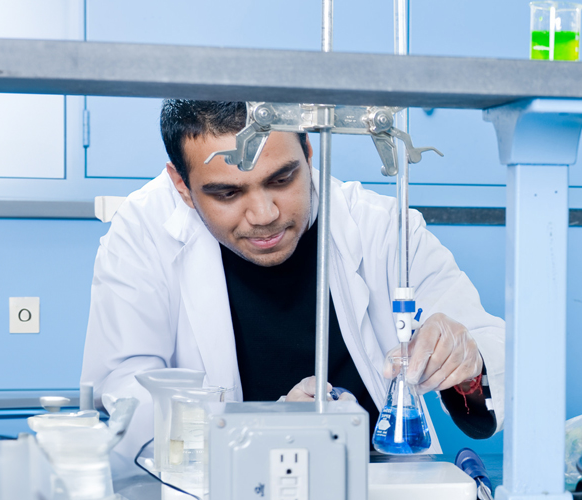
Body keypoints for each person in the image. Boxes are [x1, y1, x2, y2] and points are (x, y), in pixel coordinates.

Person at [80, 100, 504, 463]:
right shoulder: (142, 233)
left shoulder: (380, 227)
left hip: (377, 481)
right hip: (228, 482)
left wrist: (466, 362)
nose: (264, 214)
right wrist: (263, 430)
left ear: (307, 150)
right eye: (228, 193)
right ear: (182, 187)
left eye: (281, 179)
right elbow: (127, 399)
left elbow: (490, 349)